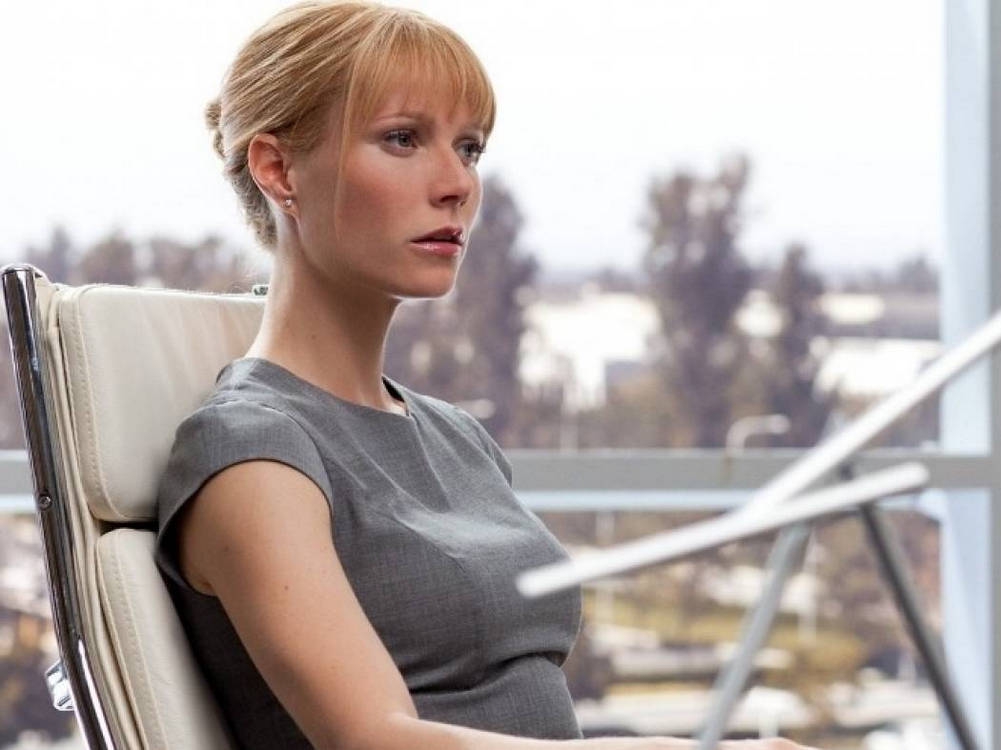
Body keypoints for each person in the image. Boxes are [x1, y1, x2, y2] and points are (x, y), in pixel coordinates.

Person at [154, 2, 820, 748]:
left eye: (468, 148)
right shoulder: (250, 454)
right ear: (278, 170)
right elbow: (376, 742)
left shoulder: (456, 438)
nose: (456, 185)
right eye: (402, 139)